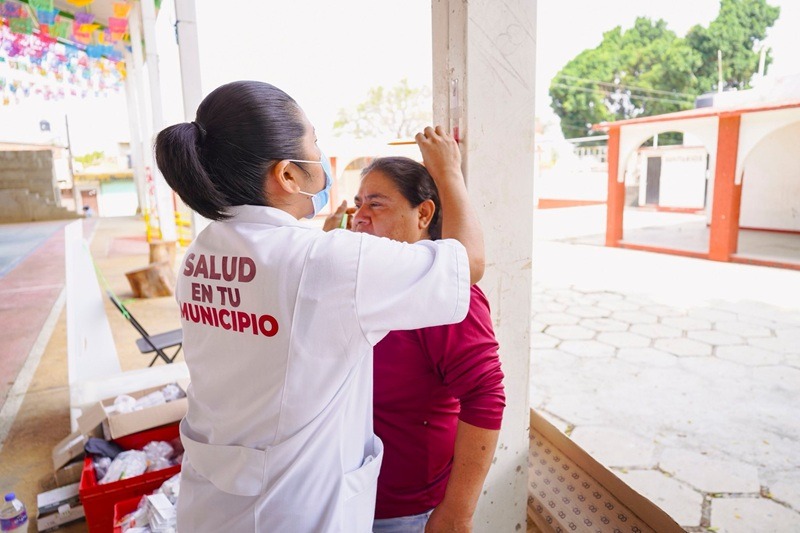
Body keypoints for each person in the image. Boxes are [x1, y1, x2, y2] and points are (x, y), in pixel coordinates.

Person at [153, 80, 484, 533]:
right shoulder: (328, 260)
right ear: (288, 174)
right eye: (314, 140)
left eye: (376, 204)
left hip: (213, 503)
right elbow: (471, 262)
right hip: (293, 511)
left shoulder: (202, 253)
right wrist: (449, 173)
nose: (362, 214)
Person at [325, 158, 505, 532]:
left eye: (376, 204)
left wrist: (457, 512)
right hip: (340, 496)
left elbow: (485, 396)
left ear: (423, 214)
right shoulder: (360, 283)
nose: (360, 216)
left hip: (404, 512)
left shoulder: (446, 296)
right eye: (358, 204)